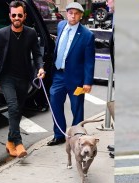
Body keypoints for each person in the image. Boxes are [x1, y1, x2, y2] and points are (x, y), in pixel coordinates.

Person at [0, 1, 45, 158]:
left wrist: (40, 67)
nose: (16, 18)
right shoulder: (0, 35)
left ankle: (9, 142)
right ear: (9, 16)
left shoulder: (31, 33)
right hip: (6, 78)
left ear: (24, 16)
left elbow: (38, 54)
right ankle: (19, 143)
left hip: (24, 78)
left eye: (20, 15)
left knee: (18, 111)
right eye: (14, 15)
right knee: (13, 107)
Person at [47, 2, 95, 146]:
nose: (73, 16)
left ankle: (77, 137)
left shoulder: (87, 35)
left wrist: (88, 82)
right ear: (66, 13)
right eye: (70, 13)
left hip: (76, 79)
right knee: (55, 104)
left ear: (80, 16)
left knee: (77, 109)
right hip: (58, 75)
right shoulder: (61, 26)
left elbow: (89, 61)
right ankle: (59, 135)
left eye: (76, 13)